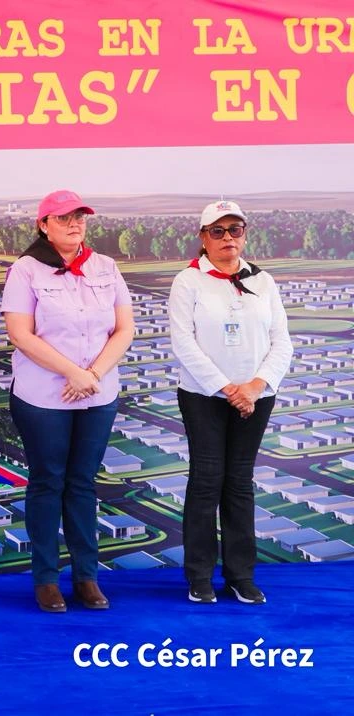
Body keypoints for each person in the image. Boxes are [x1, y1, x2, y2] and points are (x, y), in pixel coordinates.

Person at [1, 190, 134, 613]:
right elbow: (20, 334)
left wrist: (91, 375)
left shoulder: (106, 266)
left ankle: (86, 577)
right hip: (43, 396)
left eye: (79, 216)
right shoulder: (25, 270)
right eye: (63, 218)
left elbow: (124, 330)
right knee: (47, 482)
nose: (74, 223)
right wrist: (73, 373)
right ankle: (45, 579)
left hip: (98, 393)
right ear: (43, 225)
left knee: (82, 484)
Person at [168, 200, 292, 605]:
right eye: (217, 231)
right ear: (203, 237)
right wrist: (227, 388)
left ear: (244, 235)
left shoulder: (264, 281)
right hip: (203, 396)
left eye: (235, 230)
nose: (227, 238)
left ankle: (241, 575)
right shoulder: (188, 281)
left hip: (256, 396)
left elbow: (282, 342)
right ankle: (200, 576)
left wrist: (254, 387)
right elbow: (183, 342)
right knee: (206, 481)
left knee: (239, 482)